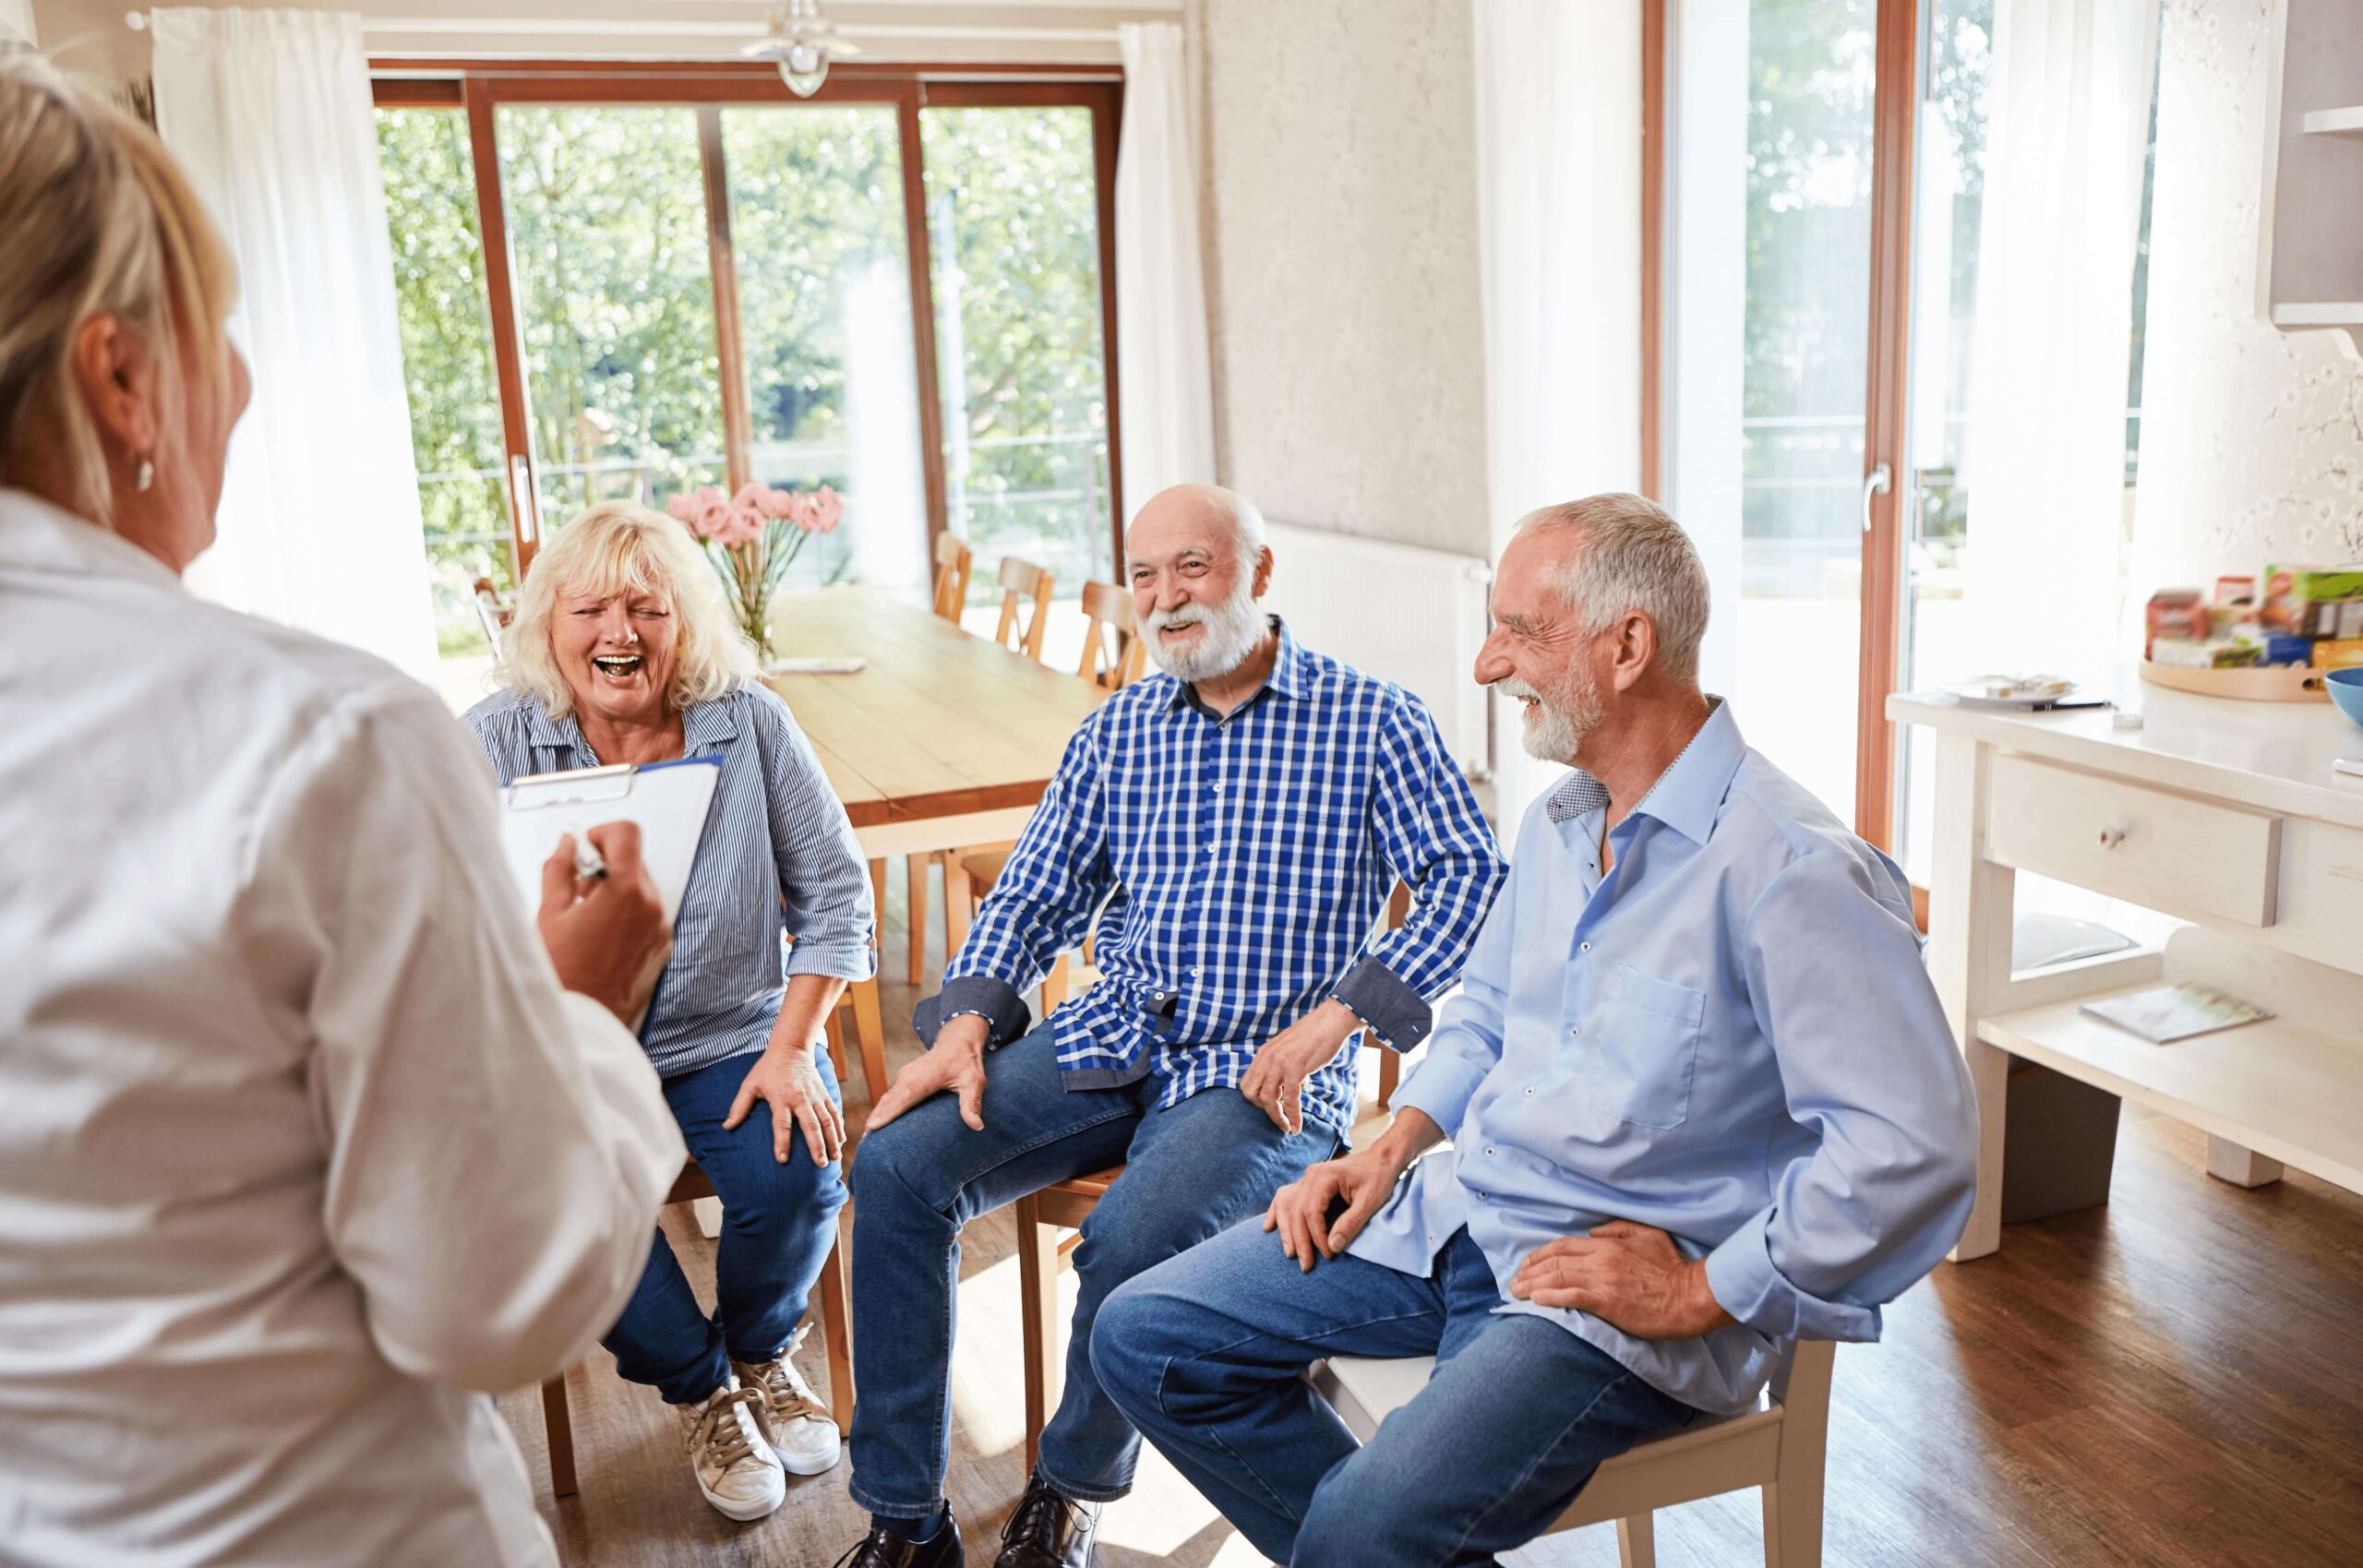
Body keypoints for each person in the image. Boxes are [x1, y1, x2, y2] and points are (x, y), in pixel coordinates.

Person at [0, 55, 686, 1568]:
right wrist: (576, 1006)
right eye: (218, 330)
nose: (239, 381)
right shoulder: (318, 738)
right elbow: (494, 1290)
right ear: (122, 379)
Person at [1093, 492, 1981, 1568]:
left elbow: (1913, 1153)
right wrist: (1392, 1144)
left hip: (1604, 1299)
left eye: (1519, 630)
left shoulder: (1793, 871)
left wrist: (1705, 1289)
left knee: (1363, 1528)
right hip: (1466, 1212)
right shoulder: (1559, 822)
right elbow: (1484, 1012)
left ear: (1626, 647)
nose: (1483, 662)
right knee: (1142, 1337)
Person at [832, 483, 1508, 1568]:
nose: (1163, 596)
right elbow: (1033, 892)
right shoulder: (1117, 730)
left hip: (1262, 1072)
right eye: (1144, 575)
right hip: (1110, 1033)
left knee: (1134, 1239)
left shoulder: (1374, 718)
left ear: (1259, 573)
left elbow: (1472, 878)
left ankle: (1070, 1488)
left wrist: (1340, 1019)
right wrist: (965, 1016)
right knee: (897, 1167)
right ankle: (906, 1521)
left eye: (1190, 566)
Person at [465, 498, 876, 1523]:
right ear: (545, 624)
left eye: (647, 607)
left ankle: (760, 1352)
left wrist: (793, 1048)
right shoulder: (492, 740)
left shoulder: (750, 720)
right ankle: (703, 1392)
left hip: (734, 1031)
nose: (619, 633)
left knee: (800, 1167)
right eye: (590, 608)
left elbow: (835, 893)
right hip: (564, 1052)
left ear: (684, 620)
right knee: (573, 1211)